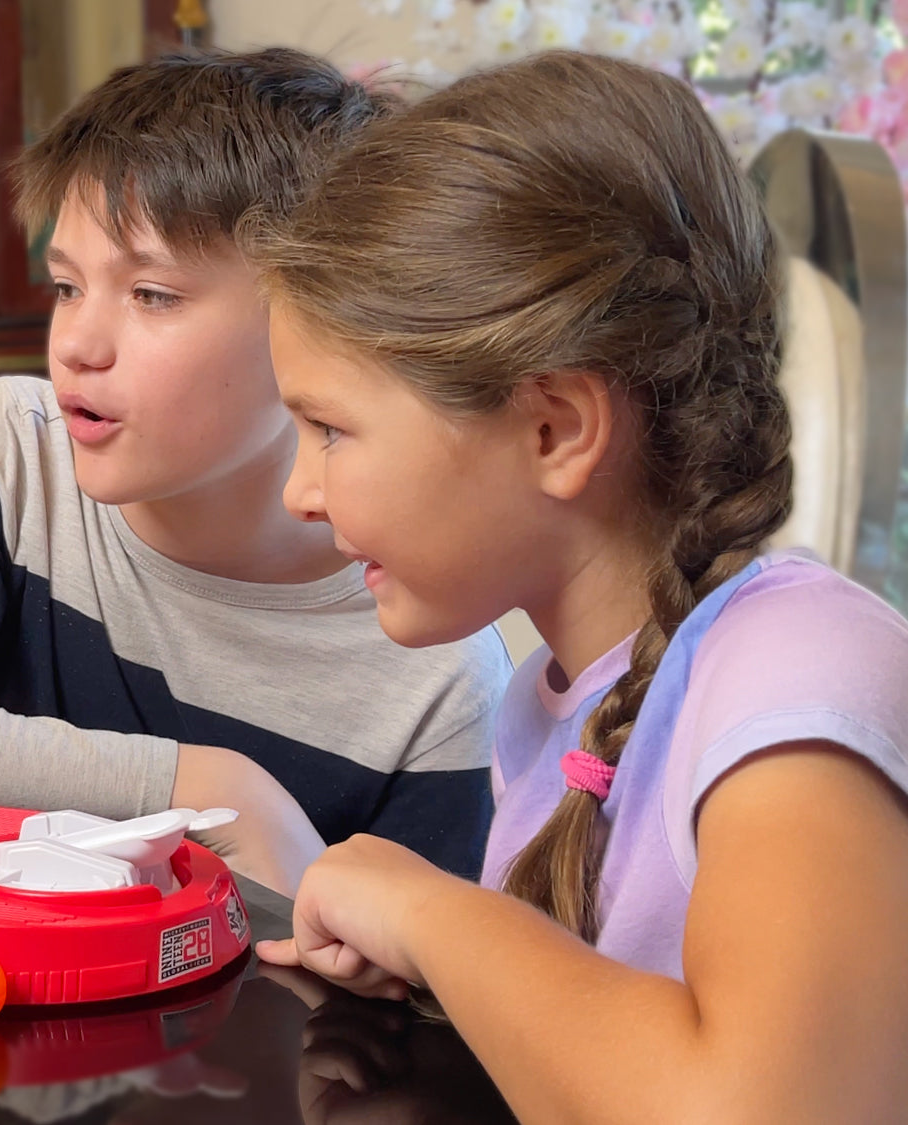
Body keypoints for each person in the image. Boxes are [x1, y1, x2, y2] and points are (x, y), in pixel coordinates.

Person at [250, 50, 908, 1120]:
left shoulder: (799, 675)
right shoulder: (547, 704)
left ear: (554, 428)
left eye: (329, 428)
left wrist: (435, 917)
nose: (298, 490)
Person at [0, 49, 513, 897]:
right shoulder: (14, 455)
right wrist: (199, 790)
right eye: (66, 286)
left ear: (320, 318)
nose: (76, 346)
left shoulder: (437, 674)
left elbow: (405, 1007)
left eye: (152, 295)